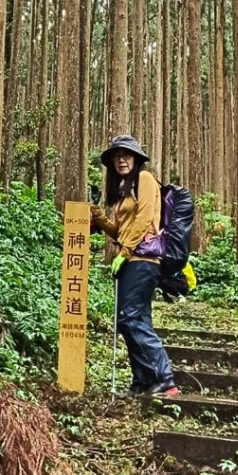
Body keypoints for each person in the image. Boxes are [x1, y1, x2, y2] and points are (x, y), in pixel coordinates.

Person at [90, 134, 179, 397]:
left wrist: (126, 251)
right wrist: (96, 213)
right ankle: (143, 381)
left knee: (128, 318)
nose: (121, 160)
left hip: (143, 260)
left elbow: (143, 220)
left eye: (127, 155)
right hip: (130, 260)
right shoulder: (122, 192)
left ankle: (163, 378)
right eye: (117, 156)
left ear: (136, 159)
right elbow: (118, 230)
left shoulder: (145, 180)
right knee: (134, 318)